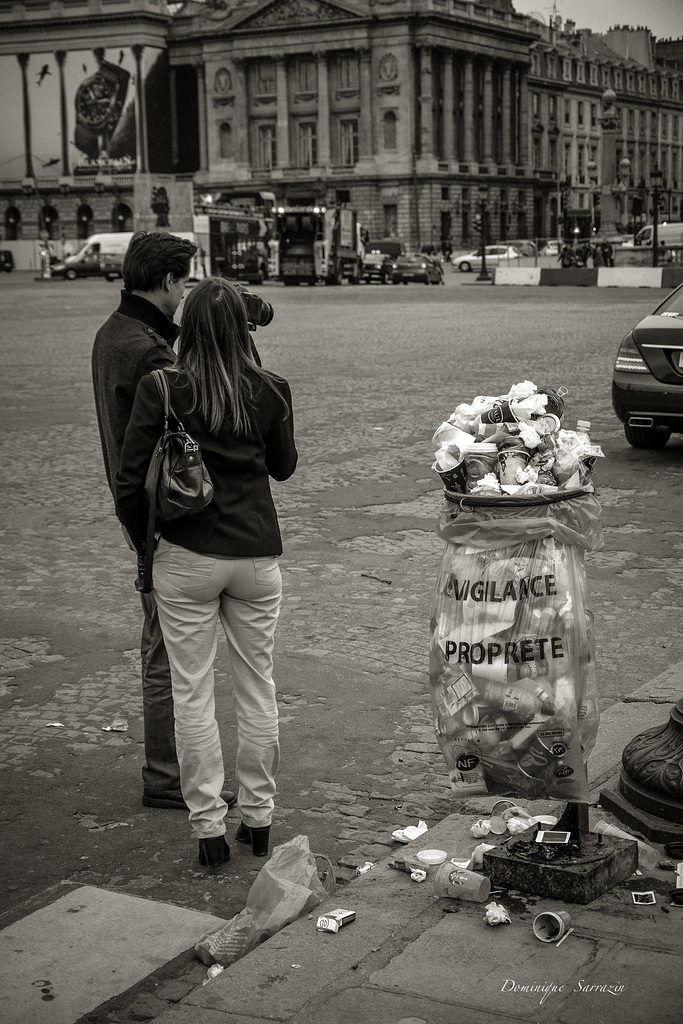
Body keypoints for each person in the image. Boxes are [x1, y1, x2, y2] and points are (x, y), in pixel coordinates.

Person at [114, 277, 298, 867]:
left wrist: (151, 544)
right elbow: (284, 467)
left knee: (192, 691)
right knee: (257, 686)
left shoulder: (162, 388)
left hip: (186, 555)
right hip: (254, 556)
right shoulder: (269, 388)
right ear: (244, 329)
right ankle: (260, 819)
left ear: (188, 328)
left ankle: (208, 831)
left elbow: (128, 482)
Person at [92, 232, 236, 813]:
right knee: (166, 652)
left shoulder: (112, 333)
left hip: (140, 507)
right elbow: (197, 428)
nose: (185, 296)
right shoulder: (150, 351)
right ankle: (166, 775)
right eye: (185, 283)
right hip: (163, 513)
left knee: (162, 646)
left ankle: (166, 771)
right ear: (171, 281)